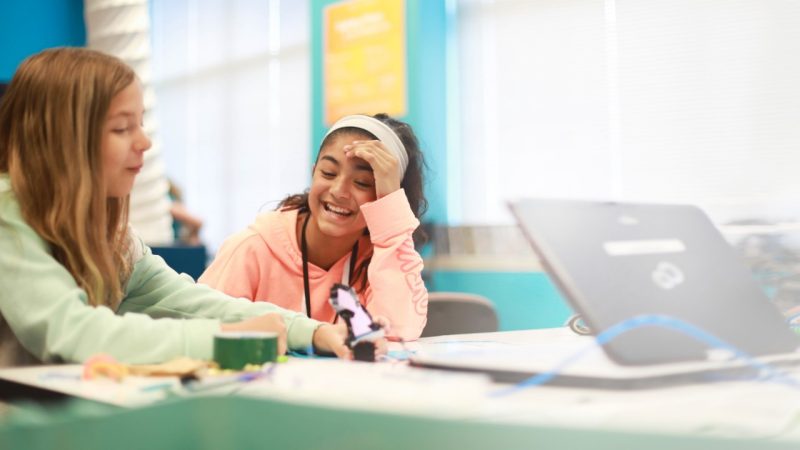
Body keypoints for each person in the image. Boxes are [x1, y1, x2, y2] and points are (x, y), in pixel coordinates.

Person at [0, 47, 357, 367]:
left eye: (139, 123)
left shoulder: (113, 238)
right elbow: (76, 333)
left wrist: (310, 331)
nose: (144, 142)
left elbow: (193, 302)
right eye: (122, 128)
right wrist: (227, 339)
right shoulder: (7, 216)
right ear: (64, 140)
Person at [199, 114, 429, 340]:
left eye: (362, 182)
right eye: (328, 173)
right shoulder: (251, 248)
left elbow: (399, 334)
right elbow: (202, 332)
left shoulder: (382, 259)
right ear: (313, 173)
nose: (339, 190)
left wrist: (390, 209)